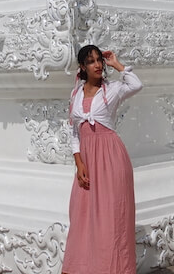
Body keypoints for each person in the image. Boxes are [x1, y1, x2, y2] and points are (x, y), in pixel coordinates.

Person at [62, 44, 143, 274]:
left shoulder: (113, 89)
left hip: (112, 160)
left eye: (99, 60)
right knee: (83, 217)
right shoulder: (75, 94)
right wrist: (79, 163)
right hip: (87, 161)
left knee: (111, 218)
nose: (97, 65)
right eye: (91, 61)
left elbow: (136, 84)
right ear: (82, 67)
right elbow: (75, 131)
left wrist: (116, 64)